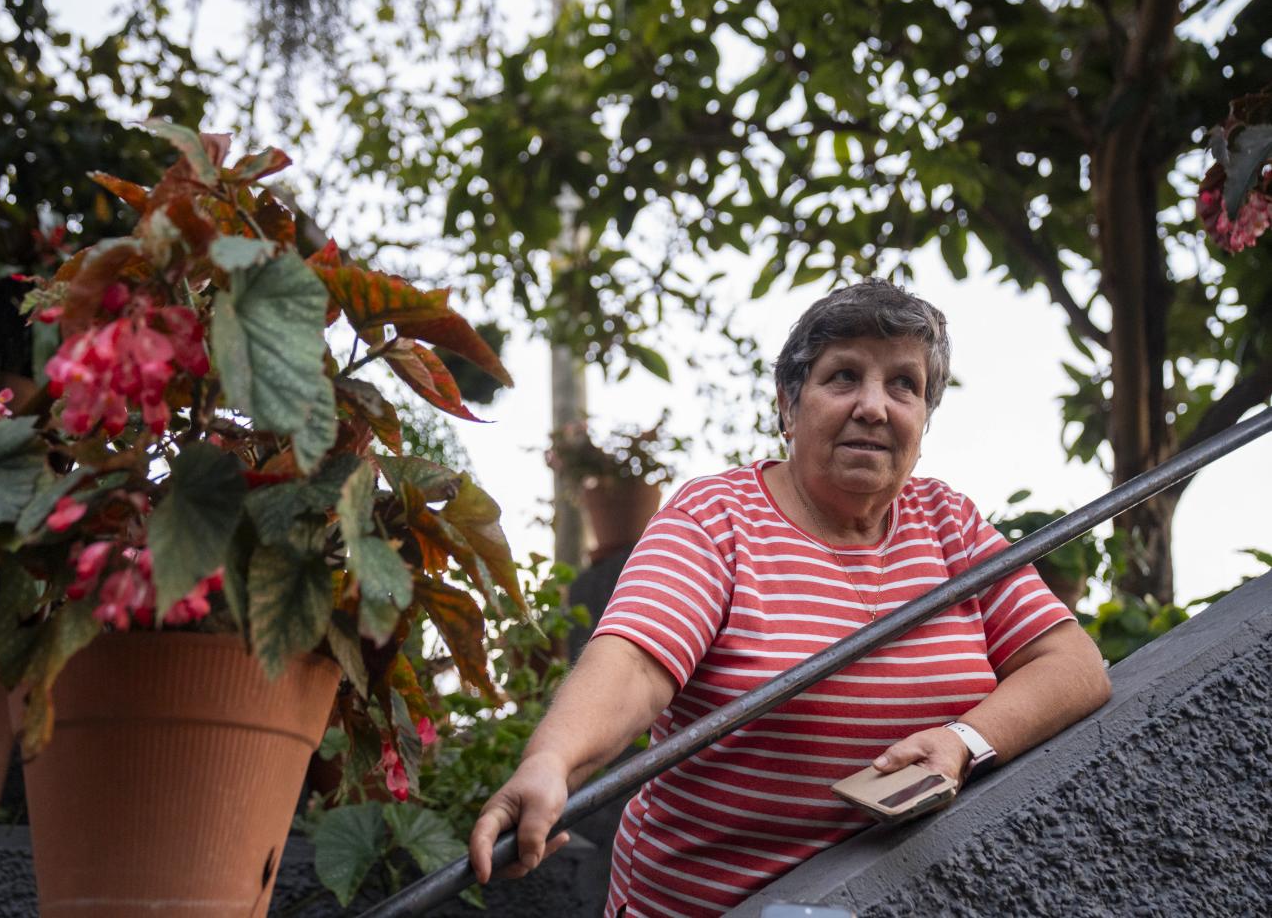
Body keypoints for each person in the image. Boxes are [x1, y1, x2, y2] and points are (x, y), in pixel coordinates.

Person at [468, 280, 1112, 917]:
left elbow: (1073, 665)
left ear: (924, 418)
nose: (873, 407)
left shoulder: (949, 523)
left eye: (903, 385)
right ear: (789, 404)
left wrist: (965, 740)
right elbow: (636, 661)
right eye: (844, 376)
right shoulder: (717, 518)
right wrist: (552, 762)